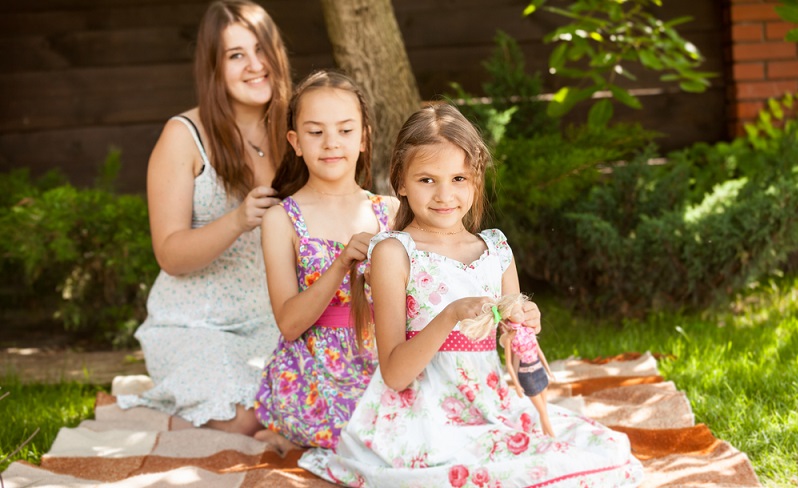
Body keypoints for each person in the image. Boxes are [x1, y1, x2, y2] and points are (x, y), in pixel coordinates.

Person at [298, 104, 644, 486]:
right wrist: (449, 316)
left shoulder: (495, 249)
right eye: (427, 180)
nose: (445, 194)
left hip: (489, 404)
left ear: (476, 179)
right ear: (400, 181)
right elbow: (395, 375)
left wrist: (524, 326)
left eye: (459, 178)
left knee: (602, 452)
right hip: (426, 417)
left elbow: (515, 349)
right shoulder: (394, 252)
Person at [116, 0, 292, 436]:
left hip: (274, 319)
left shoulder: (294, 132)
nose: (255, 65)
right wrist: (238, 220)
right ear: (214, 69)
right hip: (196, 324)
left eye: (261, 49)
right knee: (243, 418)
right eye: (236, 56)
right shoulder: (184, 136)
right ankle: (165, 414)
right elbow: (170, 255)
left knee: (296, 405)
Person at [253, 70, 397, 449]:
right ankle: (289, 429)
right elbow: (288, 323)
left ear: (364, 137)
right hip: (315, 370)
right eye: (316, 132)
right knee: (367, 439)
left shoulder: (392, 213)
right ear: (295, 142)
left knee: (422, 424)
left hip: (384, 357)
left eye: (346, 130)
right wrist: (340, 266)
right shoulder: (281, 218)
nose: (331, 143)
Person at [459, 293, 556, 438]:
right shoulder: (511, 337)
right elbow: (510, 364)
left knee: (544, 409)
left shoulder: (527, 331)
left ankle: (546, 434)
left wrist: (548, 370)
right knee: (542, 412)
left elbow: (538, 351)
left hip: (538, 369)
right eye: (514, 311)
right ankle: (553, 438)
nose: (519, 313)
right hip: (527, 375)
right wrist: (516, 384)